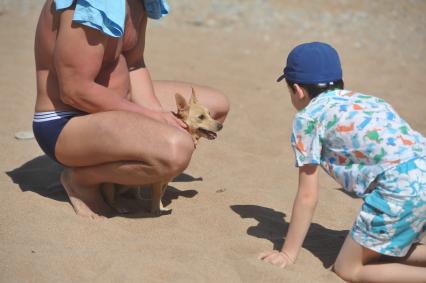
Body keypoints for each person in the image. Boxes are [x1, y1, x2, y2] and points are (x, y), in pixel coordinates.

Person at [33, 0, 229, 219]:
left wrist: (162, 118)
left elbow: (134, 65)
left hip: (113, 111)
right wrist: (154, 119)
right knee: (176, 150)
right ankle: (82, 179)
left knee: (215, 106)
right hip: (66, 123)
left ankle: (119, 177)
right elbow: (74, 90)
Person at [259, 42, 426, 282]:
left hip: (399, 187)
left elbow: (308, 196)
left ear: (297, 90)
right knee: (385, 252)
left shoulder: (307, 118)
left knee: (348, 268)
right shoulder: (370, 101)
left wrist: (287, 253)